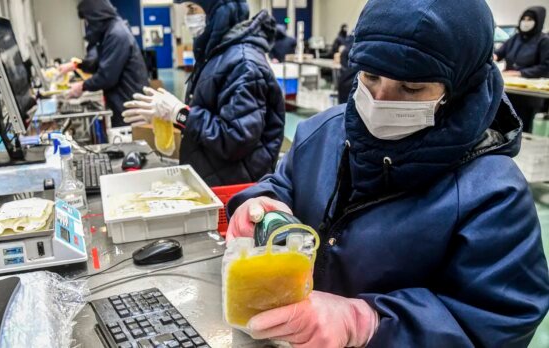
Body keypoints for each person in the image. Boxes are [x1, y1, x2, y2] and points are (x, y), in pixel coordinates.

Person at [226, 0, 549, 346]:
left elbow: (497, 322)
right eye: (370, 75)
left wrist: (366, 323)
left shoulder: (494, 194)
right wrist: (261, 203)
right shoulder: (322, 132)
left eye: (411, 89)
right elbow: (284, 183)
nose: (379, 100)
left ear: (460, 87)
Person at [122, 0, 285, 187]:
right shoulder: (218, 55)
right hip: (214, 177)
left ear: (218, 11)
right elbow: (209, 119)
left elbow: (235, 140)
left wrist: (180, 113)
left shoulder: (243, 64)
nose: (188, 17)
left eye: (193, 9)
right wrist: (168, 117)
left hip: (236, 192)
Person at [61, 0, 149, 127]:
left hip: (128, 104)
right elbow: (100, 63)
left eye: (87, 19)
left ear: (95, 15)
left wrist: (82, 86)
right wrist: (77, 65)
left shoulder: (116, 35)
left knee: (127, 142)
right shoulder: (111, 31)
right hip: (124, 101)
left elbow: (107, 76)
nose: (87, 24)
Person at [495, 6, 549, 133]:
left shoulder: (544, 41)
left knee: (521, 128)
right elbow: (499, 53)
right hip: (510, 92)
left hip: (529, 96)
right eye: (524, 18)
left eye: (529, 19)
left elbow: (546, 67)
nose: (525, 22)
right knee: (504, 127)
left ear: (538, 21)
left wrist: (519, 73)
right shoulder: (515, 38)